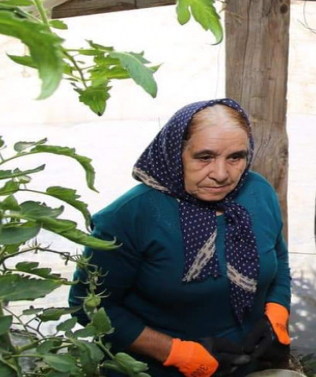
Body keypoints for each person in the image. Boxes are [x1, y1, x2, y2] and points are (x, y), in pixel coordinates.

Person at [69, 99, 292, 377]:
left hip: (245, 363)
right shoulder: (131, 217)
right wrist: (176, 352)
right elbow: (89, 305)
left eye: (236, 157)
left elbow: (278, 257)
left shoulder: (257, 193)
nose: (221, 174)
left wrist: (277, 313)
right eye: (204, 157)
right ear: (176, 153)